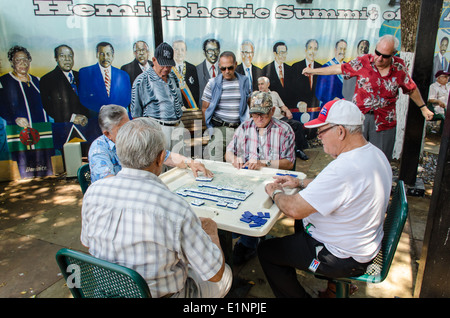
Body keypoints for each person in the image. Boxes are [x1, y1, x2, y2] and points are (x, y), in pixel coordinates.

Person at [81, 117, 232, 298]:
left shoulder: (93, 191)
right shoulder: (174, 208)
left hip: (106, 292)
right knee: (226, 274)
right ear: (161, 158)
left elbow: (87, 243)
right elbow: (215, 274)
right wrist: (213, 233)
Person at [258, 99, 393, 298]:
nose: (319, 137)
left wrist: (274, 191)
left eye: (322, 131)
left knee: (267, 251)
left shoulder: (344, 168)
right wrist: (300, 183)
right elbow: (338, 189)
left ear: (340, 131)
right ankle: (331, 289)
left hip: (342, 258)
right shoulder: (374, 153)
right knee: (300, 225)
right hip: (361, 243)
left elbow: (294, 209)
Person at [303, 35, 434, 161]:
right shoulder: (363, 61)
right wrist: (314, 71)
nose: (380, 58)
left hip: (384, 121)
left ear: (393, 53)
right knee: (353, 155)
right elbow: (339, 69)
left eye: (385, 56)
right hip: (359, 118)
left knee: (380, 158)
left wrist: (423, 108)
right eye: (377, 53)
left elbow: (411, 88)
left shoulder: (399, 67)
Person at [225, 91, 295, 265]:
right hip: (246, 178)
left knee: (258, 204)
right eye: (254, 113)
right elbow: (228, 153)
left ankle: (248, 243)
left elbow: (289, 163)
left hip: (271, 179)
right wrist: (235, 159)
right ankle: (240, 236)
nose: (258, 118)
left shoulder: (284, 130)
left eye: (262, 113)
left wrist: (264, 163)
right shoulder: (245, 126)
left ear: (272, 111)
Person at [89, 104, 212, 183]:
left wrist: (190, 162)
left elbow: (167, 156)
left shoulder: (133, 137)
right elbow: (110, 184)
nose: (129, 130)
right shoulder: (98, 150)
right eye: (122, 129)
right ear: (107, 134)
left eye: (129, 124)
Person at [0, 45, 54, 178]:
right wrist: (14, 119)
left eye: (25, 59)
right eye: (18, 60)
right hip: (19, 130)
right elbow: (1, 106)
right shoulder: (4, 81)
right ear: (12, 63)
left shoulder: (37, 80)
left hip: (41, 129)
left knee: (45, 168)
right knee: (25, 169)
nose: (22, 63)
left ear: (30, 61)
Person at [130, 42, 184, 151]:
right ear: (154, 60)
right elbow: (136, 114)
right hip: (158, 128)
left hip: (178, 127)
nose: (166, 68)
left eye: (169, 65)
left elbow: (179, 101)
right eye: (162, 64)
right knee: (159, 164)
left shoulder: (173, 76)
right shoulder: (142, 80)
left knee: (180, 164)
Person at [202, 51, 252, 161]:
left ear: (236, 64)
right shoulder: (212, 83)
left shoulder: (244, 81)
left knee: (238, 165)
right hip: (219, 129)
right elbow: (205, 107)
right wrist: (210, 129)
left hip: (239, 129)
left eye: (230, 68)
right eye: (223, 68)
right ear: (219, 66)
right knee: (216, 164)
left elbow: (249, 103)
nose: (227, 71)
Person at [257, 76, 309, 160]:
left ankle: (299, 150)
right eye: (259, 84)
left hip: (280, 118)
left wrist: (287, 111)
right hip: (268, 120)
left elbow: (283, 106)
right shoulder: (257, 95)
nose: (260, 86)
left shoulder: (274, 94)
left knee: (297, 125)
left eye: (262, 84)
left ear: (268, 84)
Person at [40, 44, 91, 124]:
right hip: (64, 127)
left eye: (70, 56)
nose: (67, 59)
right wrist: (72, 118)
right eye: (62, 56)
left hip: (87, 125)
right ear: (56, 58)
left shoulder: (82, 76)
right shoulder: (47, 79)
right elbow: (48, 107)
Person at [78, 42, 131, 114]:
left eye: (108, 54)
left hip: (117, 117)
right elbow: (84, 98)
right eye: (102, 54)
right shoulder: (85, 73)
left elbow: (127, 98)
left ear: (113, 55)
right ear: (97, 55)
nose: (105, 57)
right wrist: (103, 113)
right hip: (95, 118)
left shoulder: (123, 75)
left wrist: (114, 113)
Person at [291, 39, 322, 121]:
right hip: (299, 113)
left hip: (316, 113)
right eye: (310, 48)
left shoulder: (321, 68)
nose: (312, 51)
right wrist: (298, 103)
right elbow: (290, 91)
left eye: (315, 49)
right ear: (305, 50)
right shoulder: (296, 67)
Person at [314, 39, 347, 107]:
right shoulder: (326, 67)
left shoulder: (347, 67)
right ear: (335, 50)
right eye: (340, 49)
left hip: (345, 107)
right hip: (331, 107)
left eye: (344, 49)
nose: (342, 51)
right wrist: (332, 99)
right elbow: (319, 92)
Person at [262, 42, 295, 107]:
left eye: (285, 52)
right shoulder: (266, 70)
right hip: (273, 108)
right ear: (275, 54)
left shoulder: (291, 70)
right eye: (281, 53)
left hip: (290, 108)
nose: (284, 55)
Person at [172, 39, 200, 108]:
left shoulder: (192, 68)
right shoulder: (169, 68)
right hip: (174, 109)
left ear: (186, 52)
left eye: (182, 50)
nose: (179, 53)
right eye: (176, 49)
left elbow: (196, 91)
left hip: (190, 109)